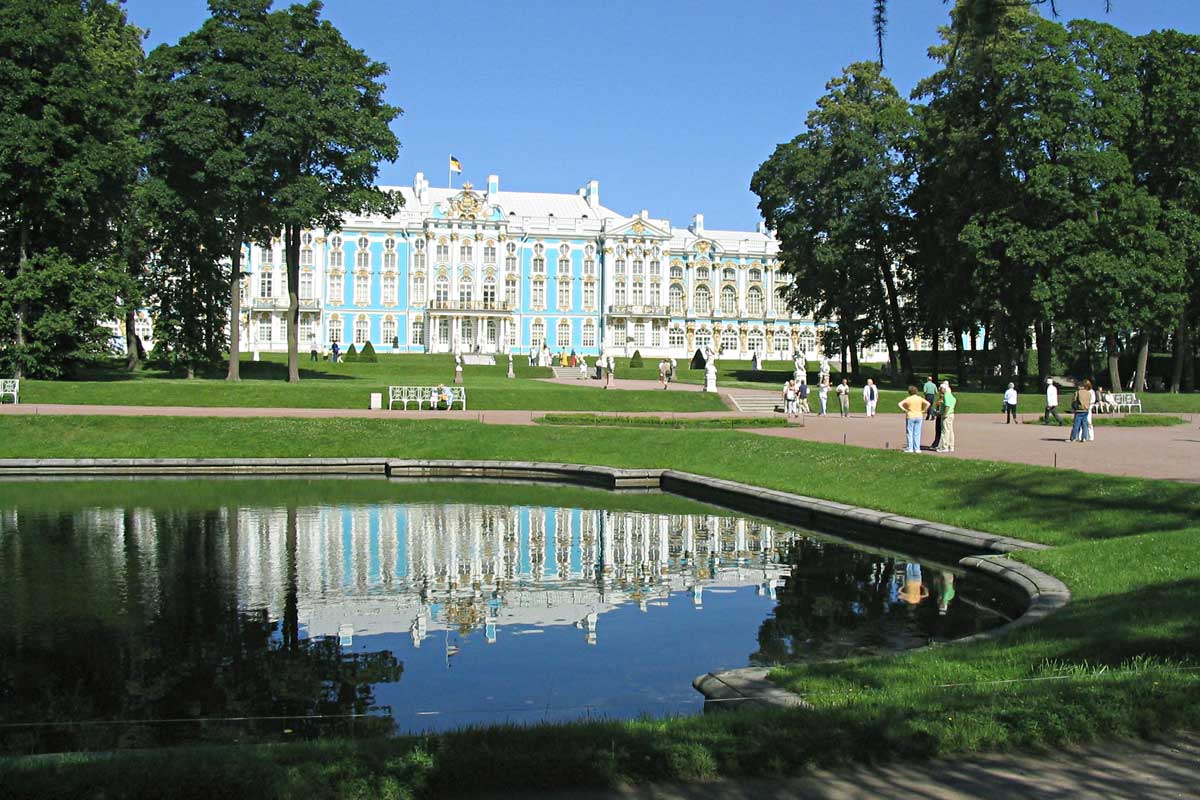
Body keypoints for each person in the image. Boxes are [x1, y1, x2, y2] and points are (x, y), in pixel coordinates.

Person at [898, 385, 931, 453]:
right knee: (917, 433)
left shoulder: (908, 398)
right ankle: (917, 448)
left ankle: (910, 448)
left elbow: (900, 404)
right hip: (919, 415)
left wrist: (904, 410)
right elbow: (928, 403)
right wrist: (924, 410)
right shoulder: (919, 398)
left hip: (910, 415)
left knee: (910, 432)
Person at [938, 380, 957, 453]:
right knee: (950, 431)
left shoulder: (946, 395)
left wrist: (945, 413)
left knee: (945, 431)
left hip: (947, 415)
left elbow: (947, 405)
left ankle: (944, 447)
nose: (939, 390)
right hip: (951, 414)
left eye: (940, 389)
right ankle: (951, 446)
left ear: (944, 389)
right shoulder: (951, 395)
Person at [928, 387, 945, 451]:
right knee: (938, 430)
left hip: (940, 416)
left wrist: (937, 412)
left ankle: (938, 444)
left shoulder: (943, 399)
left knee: (940, 430)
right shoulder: (940, 399)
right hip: (938, 416)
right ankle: (936, 443)